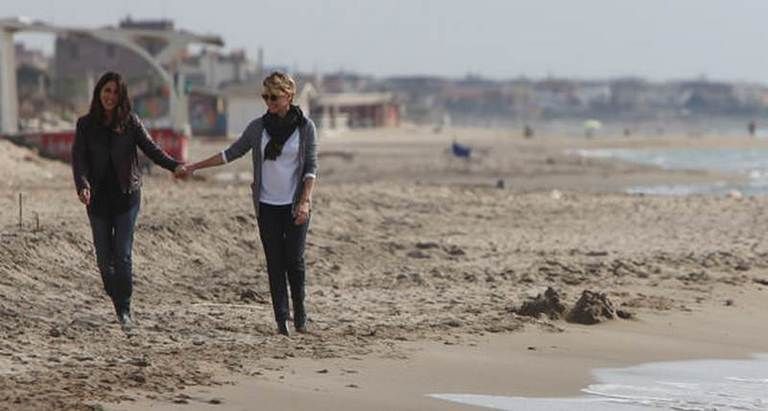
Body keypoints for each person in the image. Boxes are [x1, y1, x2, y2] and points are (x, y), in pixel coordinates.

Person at [177, 72, 317, 336]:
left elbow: (310, 167)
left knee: (294, 260)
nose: (269, 101)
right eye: (265, 96)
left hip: (295, 204)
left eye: (274, 96)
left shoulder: (305, 128)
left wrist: (305, 201)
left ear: (289, 96)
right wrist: (194, 166)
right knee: (274, 262)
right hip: (266, 205)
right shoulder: (258, 128)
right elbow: (230, 153)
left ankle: (300, 311)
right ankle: (281, 319)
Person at [71, 71, 184, 330]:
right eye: (106, 91)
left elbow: (152, 149)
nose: (110, 96)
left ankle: (124, 310)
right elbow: (79, 161)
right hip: (97, 199)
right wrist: (83, 185)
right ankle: (118, 299)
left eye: (115, 92)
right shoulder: (85, 125)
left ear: (121, 96)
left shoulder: (130, 122)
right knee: (103, 259)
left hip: (127, 196)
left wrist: (175, 166)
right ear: (99, 93)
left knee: (122, 254)